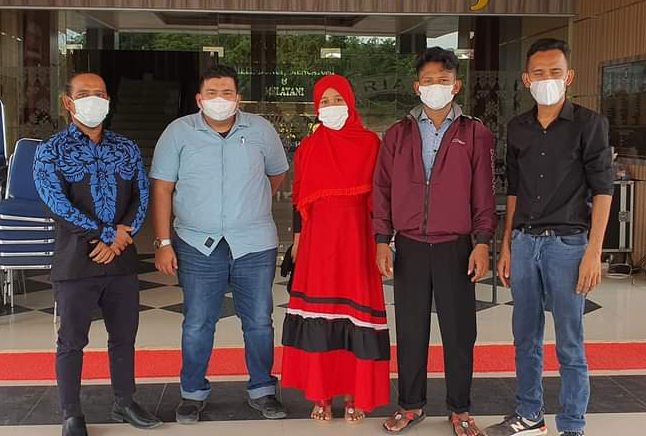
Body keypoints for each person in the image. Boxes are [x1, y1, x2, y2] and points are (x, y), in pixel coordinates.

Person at [149, 64, 290, 424]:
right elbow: (162, 188)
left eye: (227, 92)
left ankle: (263, 389)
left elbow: (276, 174)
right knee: (198, 322)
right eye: (212, 93)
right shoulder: (178, 132)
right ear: (199, 99)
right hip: (197, 244)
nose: (220, 99)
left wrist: (248, 203)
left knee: (259, 321)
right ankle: (192, 393)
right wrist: (163, 242)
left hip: (254, 242)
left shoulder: (261, 130)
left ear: (238, 97)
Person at [486, 39, 613, 436]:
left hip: (568, 246)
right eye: (538, 73)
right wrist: (506, 245)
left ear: (569, 76)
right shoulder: (517, 128)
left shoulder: (589, 124)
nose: (547, 79)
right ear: (526, 80)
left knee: (569, 341)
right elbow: (513, 189)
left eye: (555, 72)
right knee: (524, 336)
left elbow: (603, 190)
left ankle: (572, 424)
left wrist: (594, 252)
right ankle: (530, 414)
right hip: (524, 243)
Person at [373, 47, 497, 436]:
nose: (436, 87)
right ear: (417, 86)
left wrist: (482, 242)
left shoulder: (474, 133)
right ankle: (410, 405)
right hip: (409, 245)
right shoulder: (398, 133)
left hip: (455, 246)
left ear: (456, 86)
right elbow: (382, 189)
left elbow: (484, 192)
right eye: (428, 80)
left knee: (459, 333)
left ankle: (460, 408)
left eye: (443, 80)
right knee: (411, 330)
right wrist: (382, 239)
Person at [33, 73, 161, 436]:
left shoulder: (127, 147)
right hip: (75, 261)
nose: (93, 99)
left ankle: (125, 402)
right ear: (68, 102)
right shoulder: (51, 151)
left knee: (124, 337)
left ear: (108, 100)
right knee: (72, 341)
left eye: (100, 94)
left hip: (121, 260)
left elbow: (141, 196)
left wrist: (121, 237)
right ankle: (71, 414)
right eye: (84, 93)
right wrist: (105, 234)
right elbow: (56, 203)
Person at [281, 74, 390, 423]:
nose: (331, 107)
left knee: (354, 314)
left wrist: (382, 242)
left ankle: (353, 394)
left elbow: (381, 199)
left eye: (337, 99)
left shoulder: (370, 143)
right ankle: (322, 394)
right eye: (324, 102)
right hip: (318, 242)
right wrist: (297, 243)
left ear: (350, 102)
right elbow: (299, 199)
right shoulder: (309, 147)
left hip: (357, 240)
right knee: (321, 314)